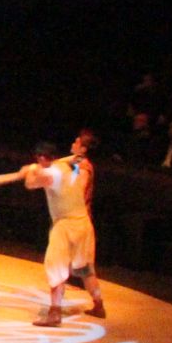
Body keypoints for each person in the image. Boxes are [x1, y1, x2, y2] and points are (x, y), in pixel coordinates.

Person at [24, 131, 107, 326]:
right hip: (83, 223)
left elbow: (30, 184)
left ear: (43, 158)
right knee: (85, 269)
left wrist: (30, 171)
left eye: (77, 141)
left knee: (56, 268)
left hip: (66, 225)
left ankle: (54, 312)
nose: (74, 142)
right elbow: (75, 159)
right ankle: (99, 304)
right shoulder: (72, 165)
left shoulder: (56, 171)